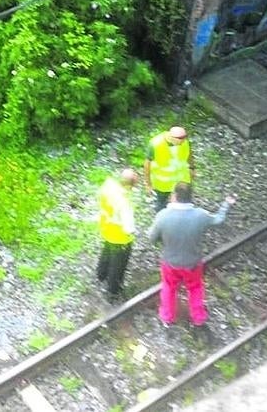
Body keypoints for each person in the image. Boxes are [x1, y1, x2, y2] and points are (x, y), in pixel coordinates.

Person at [147, 182, 236, 327]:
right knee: (195, 288)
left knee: (169, 288)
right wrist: (226, 204)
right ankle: (198, 318)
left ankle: (166, 317)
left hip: (170, 263)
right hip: (193, 263)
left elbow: (151, 238)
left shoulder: (162, 216)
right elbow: (219, 219)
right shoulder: (200, 215)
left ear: (174, 196)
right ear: (190, 197)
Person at [97, 168, 138, 300]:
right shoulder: (125, 203)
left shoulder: (108, 185)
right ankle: (113, 290)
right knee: (118, 265)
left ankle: (101, 274)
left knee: (106, 252)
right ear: (132, 185)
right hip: (120, 238)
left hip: (106, 229)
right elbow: (129, 228)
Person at [144, 125, 195, 212]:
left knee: (183, 201)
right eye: (181, 141)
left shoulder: (184, 141)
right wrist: (148, 184)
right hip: (163, 183)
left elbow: (189, 154)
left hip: (181, 180)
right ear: (172, 138)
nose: (183, 142)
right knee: (161, 203)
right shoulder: (155, 144)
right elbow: (147, 164)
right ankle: (161, 217)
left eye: (184, 139)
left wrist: (192, 168)